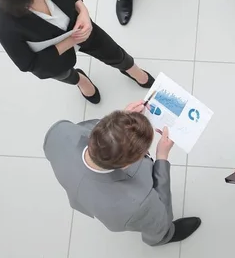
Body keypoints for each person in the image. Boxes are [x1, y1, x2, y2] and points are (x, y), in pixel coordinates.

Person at [0, 0, 154, 104]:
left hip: (78, 25)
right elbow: (29, 64)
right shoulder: (4, 24)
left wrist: (83, 11)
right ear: (23, 4)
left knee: (112, 51)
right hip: (52, 56)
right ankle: (81, 81)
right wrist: (71, 41)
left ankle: (131, 69)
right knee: (65, 74)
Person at [43, 104, 201, 245]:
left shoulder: (58, 133)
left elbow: (92, 129)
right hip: (121, 210)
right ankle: (164, 238)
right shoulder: (137, 204)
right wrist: (161, 157)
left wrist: (118, 129)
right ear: (128, 163)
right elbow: (162, 211)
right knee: (159, 227)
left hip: (81, 191)